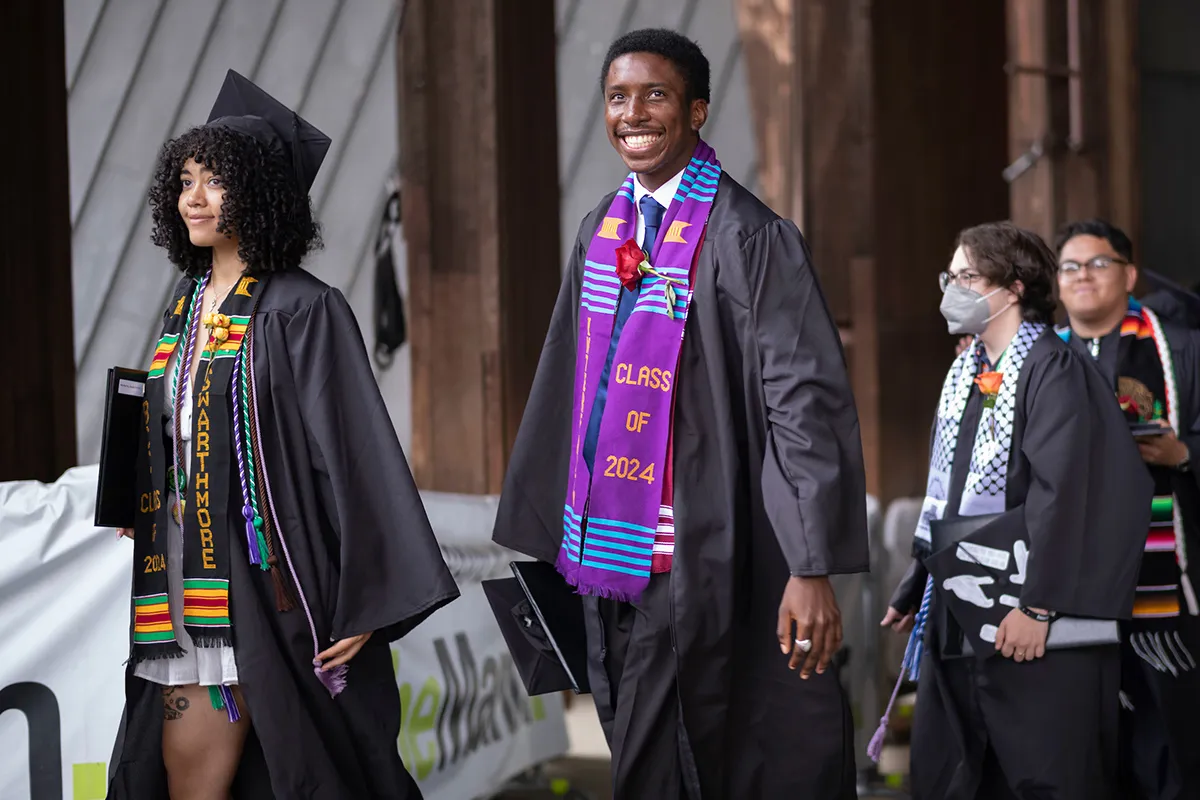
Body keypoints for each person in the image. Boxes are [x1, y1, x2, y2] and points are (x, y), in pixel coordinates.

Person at [492, 28, 868, 798]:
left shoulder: (749, 236)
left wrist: (810, 561)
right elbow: (567, 381)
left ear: (697, 110)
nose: (633, 113)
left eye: (654, 95)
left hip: (700, 553)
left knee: (675, 762)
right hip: (607, 563)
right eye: (618, 97)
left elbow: (802, 400)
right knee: (647, 743)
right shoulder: (603, 229)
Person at [106, 70, 458, 799]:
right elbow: (173, 417)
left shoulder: (304, 310)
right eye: (186, 180)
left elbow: (358, 453)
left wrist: (368, 597)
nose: (194, 198)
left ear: (260, 193)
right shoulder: (188, 303)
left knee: (296, 762)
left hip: (268, 580)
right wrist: (139, 494)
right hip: (181, 575)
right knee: (189, 774)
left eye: (216, 182)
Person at [882, 222, 1151, 799]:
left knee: (1043, 772)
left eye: (967, 277)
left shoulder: (1054, 369)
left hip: (1031, 623)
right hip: (964, 609)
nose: (951, 290)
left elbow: (1069, 493)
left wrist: (1041, 605)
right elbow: (946, 490)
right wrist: (919, 579)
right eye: (949, 277)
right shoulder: (967, 372)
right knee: (961, 771)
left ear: (1015, 287)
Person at [1055, 218, 1200, 800]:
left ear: (1129, 274)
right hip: (1070, 574)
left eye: (1098, 264)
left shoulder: (1183, 348)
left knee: (1164, 728)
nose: (1083, 276)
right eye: (1069, 267)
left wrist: (1183, 451)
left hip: (1162, 569)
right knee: (1082, 733)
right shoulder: (1038, 358)